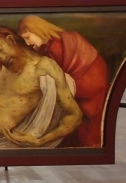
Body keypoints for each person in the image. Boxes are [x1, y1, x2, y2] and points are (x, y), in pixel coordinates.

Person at [18, 15, 109, 147]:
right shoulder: (49, 45)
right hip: (87, 77)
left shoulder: (55, 47)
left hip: (89, 80)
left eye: (27, 37)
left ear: (37, 30)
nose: (27, 43)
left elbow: (55, 78)